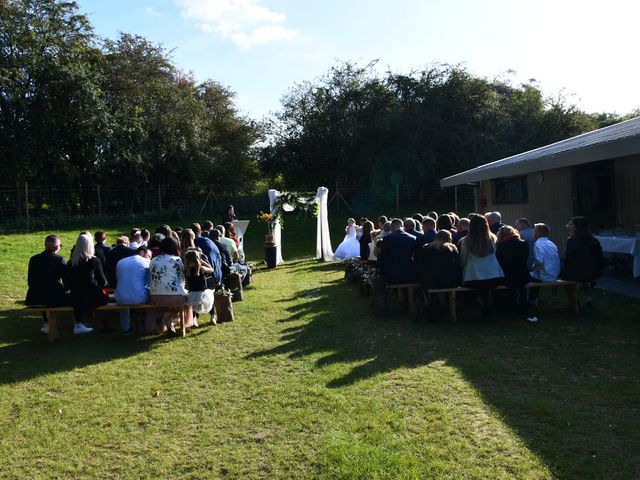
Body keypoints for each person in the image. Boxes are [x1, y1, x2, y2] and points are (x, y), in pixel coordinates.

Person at [459, 215, 504, 315]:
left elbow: (463, 258)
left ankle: (480, 304)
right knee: (487, 286)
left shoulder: (466, 240)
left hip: (473, 278)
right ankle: (489, 304)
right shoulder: (493, 238)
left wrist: (462, 269)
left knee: (479, 286)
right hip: (494, 277)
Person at [66, 233, 110, 334]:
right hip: (91, 296)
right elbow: (103, 281)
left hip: (75, 297)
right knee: (107, 299)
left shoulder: (71, 262)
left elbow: (67, 281)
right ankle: (106, 325)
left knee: (79, 301)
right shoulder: (94, 261)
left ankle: (78, 324)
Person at [25, 234, 69, 334]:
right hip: (53, 298)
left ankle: (46, 322)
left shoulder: (34, 259)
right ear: (57, 247)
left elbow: (31, 280)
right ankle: (77, 322)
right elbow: (67, 281)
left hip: (34, 297)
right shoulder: (60, 259)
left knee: (44, 290)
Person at [561, 216, 604, 306]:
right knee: (583, 272)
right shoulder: (593, 240)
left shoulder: (572, 241)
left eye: (571, 224)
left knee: (563, 277)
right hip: (594, 273)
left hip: (580, 273)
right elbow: (600, 258)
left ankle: (574, 301)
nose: (569, 226)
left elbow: (569, 259)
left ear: (577, 226)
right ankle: (588, 298)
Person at [150, 237, 188, 335]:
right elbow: (182, 278)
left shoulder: (153, 260)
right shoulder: (177, 260)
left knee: (174, 299)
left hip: (155, 297)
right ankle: (167, 316)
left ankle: (169, 322)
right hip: (175, 297)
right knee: (189, 299)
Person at [114, 246, 152, 334]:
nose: (150, 259)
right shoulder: (146, 262)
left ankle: (125, 328)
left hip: (120, 297)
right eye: (149, 256)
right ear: (142, 252)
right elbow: (149, 283)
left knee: (125, 293)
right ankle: (147, 324)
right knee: (149, 292)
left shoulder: (121, 261)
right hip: (139, 298)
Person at [495, 225, 531, 310]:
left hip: (507, 277)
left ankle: (505, 304)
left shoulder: (501, 246)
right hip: (523, 276)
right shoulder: (524, 244)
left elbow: (500, 263)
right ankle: (522, 302)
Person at [377, 218, 417, 285]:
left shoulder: (387, 238)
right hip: (409, 272)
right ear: (402, 227)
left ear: (391, 227)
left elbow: (383, 257)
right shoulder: (412, 238)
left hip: (392, 273)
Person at [184, 250, 215, 325]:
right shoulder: (201, 269)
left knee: (193, 300)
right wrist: (203, 261)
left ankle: (194, 319)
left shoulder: (186, 270)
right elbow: (211, 269)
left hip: (191, 295)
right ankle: (212, 316)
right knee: (210, 293)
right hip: (202, 295)